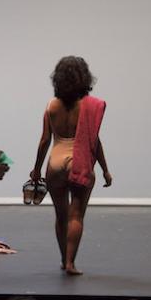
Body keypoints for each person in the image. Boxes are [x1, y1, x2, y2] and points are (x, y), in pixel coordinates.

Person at [30, 56, 112, 276]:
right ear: (84, 77)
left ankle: (62, 258)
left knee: (61, 216)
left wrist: (36, 169)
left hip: (55, 163)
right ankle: (70, 263)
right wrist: (105, 169)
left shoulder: (51, 106)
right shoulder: (88, 106)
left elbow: (44, 141)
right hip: (80, 161)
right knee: (76, 216)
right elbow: (94, 142)